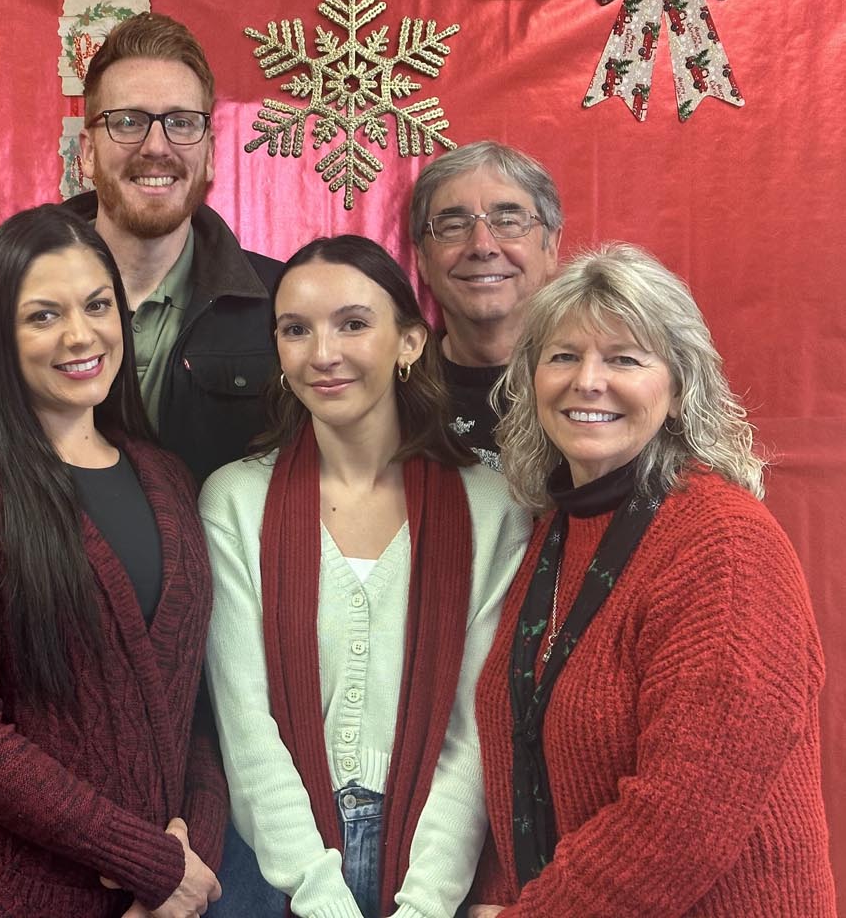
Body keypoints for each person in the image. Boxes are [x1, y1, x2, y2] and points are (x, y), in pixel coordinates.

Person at [469, 244, 835, 917]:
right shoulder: (557, 529)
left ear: (678, 389)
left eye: (624, 359)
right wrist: (497, 896)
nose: (587, 381)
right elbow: (519, 745)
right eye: (563, 356)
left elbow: (682, 822)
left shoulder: (724, 547)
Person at [0, 205, 226, 918]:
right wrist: (153, 865)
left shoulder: (166, 477)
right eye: (43, 315)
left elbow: (190, 703)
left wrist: (191, 859)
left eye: (97, 305)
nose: (80, 335)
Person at [201, 236, 532, 918]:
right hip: (273, 868)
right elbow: (246, 728)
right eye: (296, 330)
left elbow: (474, 734)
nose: (322, 353)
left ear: (409, 342)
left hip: (438, 862)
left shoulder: (492, 505)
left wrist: (427, 904)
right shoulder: (234, 500)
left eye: (352, 323)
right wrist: (318, 894)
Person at [0, 12, 281, 485]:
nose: (156, 146)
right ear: (86, 152)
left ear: (209, 154)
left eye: (181, 123)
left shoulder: (279, 308)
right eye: (128, 122)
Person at [409, 142, 563, 467]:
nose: (482, 246)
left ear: (551, 247)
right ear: (422, 259)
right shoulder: (389, 396)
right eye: (454, 226)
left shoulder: (593, 385)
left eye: (507, 222)